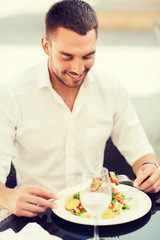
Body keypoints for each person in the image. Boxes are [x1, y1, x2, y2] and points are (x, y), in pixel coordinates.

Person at [0, 0, 159, 218]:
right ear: (46, 46)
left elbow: (141, 151)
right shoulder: (11, 94)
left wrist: (151, 168)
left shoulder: (111, 89)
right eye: (66, 56)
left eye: (88, 56)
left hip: (95, 211)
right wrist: (7, 197)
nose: (77, 69)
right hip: (38, 217)